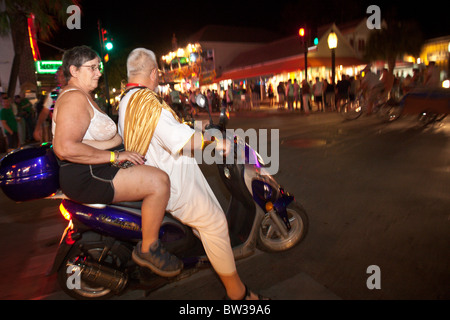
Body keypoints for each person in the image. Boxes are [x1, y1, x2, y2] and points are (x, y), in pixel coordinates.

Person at [118, 48, 268, 300]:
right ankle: (238, 296)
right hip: (176, 186)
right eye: (159, 73)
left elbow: (164, 132)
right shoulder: (149, 103)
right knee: (216, 224)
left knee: (205, 228)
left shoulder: (127, 99)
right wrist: (216, 142)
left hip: (158, 175)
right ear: (153, 73)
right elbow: (182, 140)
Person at [51, 45, 182, 278]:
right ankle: (148, 249)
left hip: (92, 168)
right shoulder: (74, 99)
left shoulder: (80, 95)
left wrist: (119, 147)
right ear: (74, 70)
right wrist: (115, 155)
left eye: (98, 67)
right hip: (88, 175)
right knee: (159, 182)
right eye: (92, 68)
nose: (98, 73)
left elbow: (84, 141)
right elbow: (65, 148)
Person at [33, 67, 66, 142]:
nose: (62, 78)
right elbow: (45, 111)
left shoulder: (76, 90)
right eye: (59, 75)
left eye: (64, 75)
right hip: (59, 131)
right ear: (57, 77)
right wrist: (38, 127)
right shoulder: (53, 93)